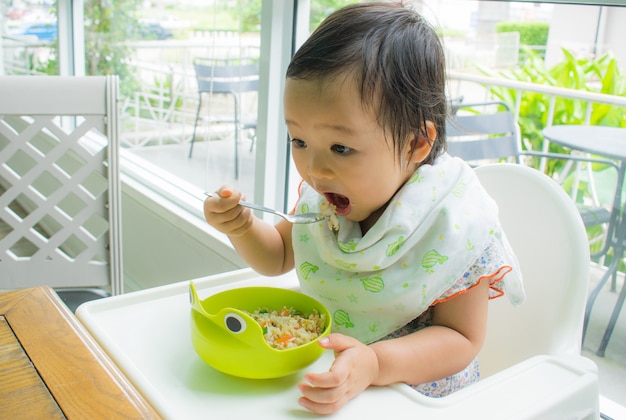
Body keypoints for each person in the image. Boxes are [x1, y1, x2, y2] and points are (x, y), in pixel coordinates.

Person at [203, 2, 524, 415]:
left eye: (341, 147)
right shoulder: (329, 196)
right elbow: (279, 255)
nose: (315, 169)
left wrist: (375, 363)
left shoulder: (452, 222)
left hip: (420, 399)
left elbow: (461, 339)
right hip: (336, 381)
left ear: (415, 144)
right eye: (299, 141)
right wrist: (242, 227)